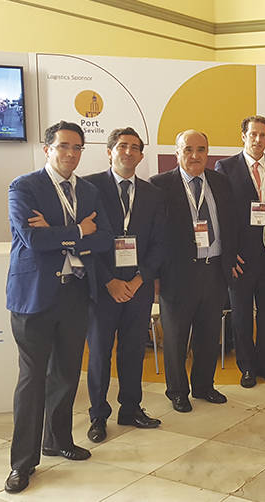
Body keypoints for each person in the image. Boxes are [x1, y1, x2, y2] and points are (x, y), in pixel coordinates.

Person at [4, 121, 112, 493]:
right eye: (64, 146)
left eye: (78, 147)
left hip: (76, 294)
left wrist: (60, 234)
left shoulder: (90, 191)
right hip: (34, 298)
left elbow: (107, 240)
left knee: (66, 375)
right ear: (47, 148)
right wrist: (80, 231)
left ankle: (58, 440)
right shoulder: (24, 187)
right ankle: (22, 463)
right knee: (32, 381)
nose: (71, 153)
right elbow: (33, 239)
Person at [82, 127, 163, 443]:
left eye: (134, 147)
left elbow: (160, 242)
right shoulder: (89, 187)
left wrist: (141, 278)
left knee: (132, 350)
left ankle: (130, 408)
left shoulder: (153, 193)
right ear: (109, 150)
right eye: (122, 146)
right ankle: (98, 417)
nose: (128, 152)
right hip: (102, 287)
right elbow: (84, 241)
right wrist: (109, 281)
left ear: (141, 155)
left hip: (138, 286)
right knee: (100, 354)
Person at [149, 130, 238, 412]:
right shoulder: (159, 185)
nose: (195, 155)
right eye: (188, 149)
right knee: (176, 337)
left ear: (207, 152)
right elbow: (155, 235)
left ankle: (203, 386)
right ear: (177, 153)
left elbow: (231, 223)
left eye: (201, 149)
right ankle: (177, 391)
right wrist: (156, 275)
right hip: (178, 274)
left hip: (214, 270)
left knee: (209, 334)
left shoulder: (221, 182)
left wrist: (232, 259)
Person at [216, 116, 265, 388]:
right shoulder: (226, 167)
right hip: (240, 258)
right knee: (242, 314)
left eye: (264, 135)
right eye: (253, 134)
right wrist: (228, 253)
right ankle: (246, 368)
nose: (259, 140)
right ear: (243, 136)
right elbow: (223, 214)